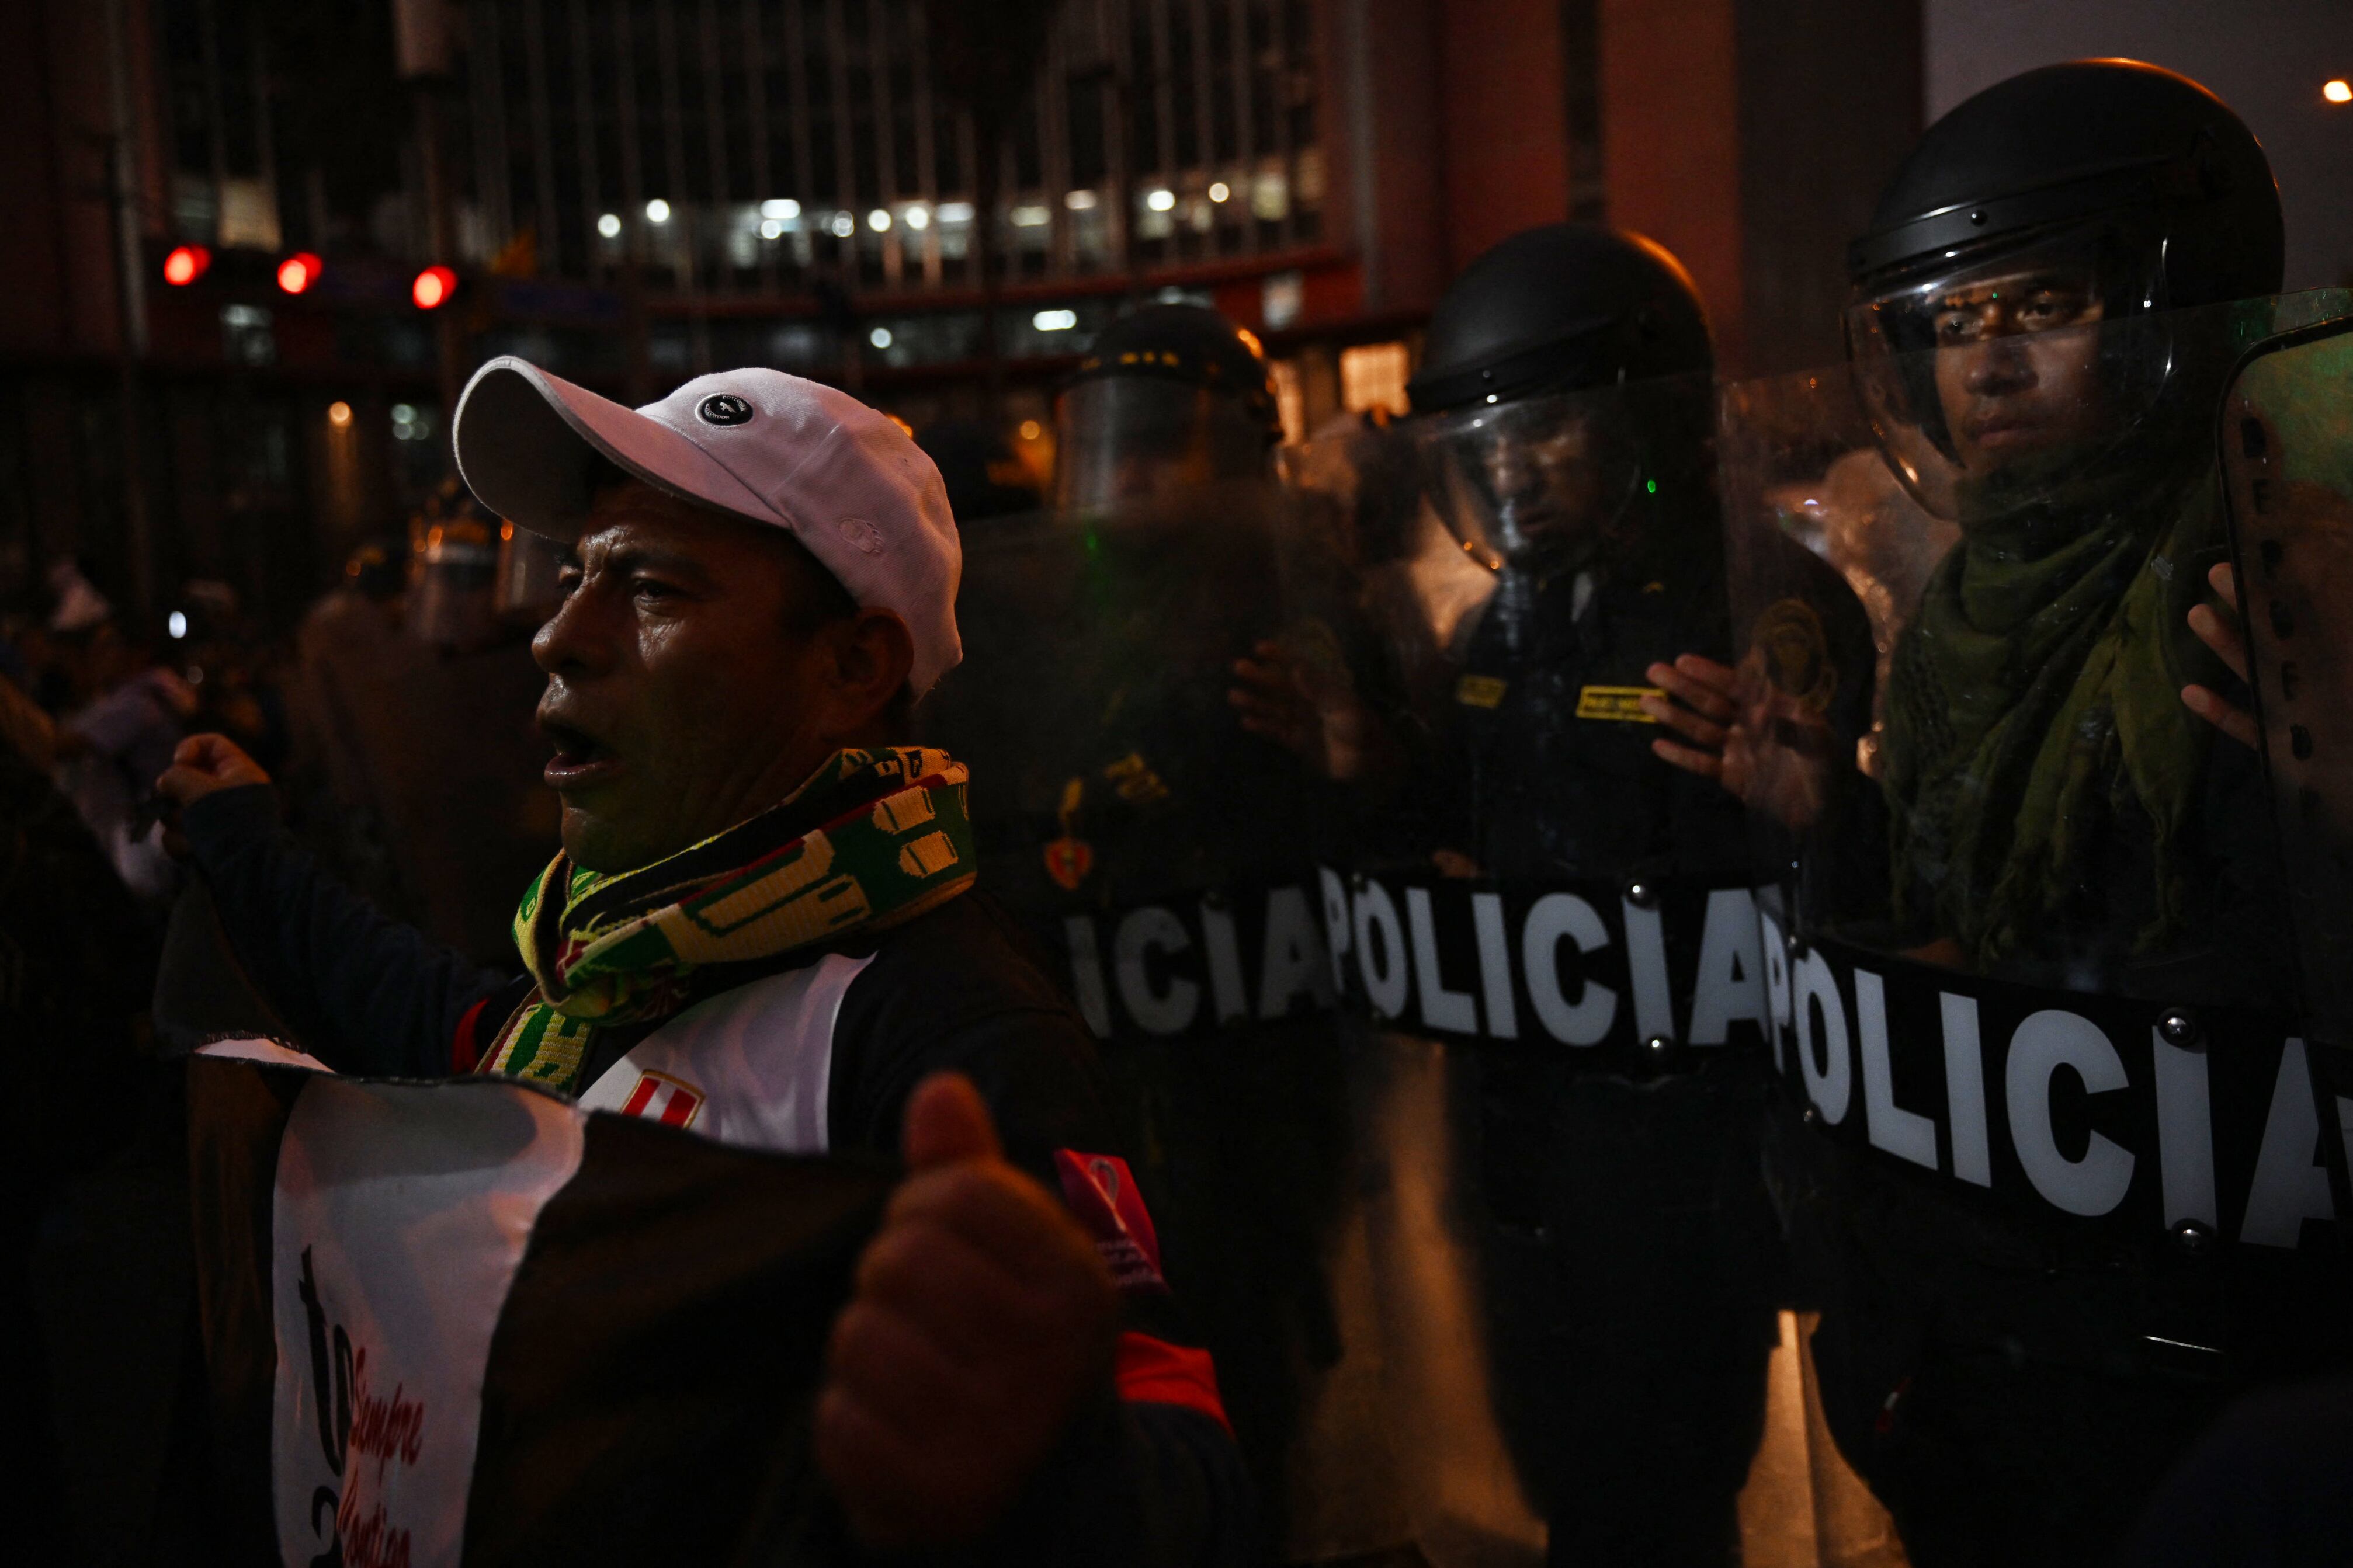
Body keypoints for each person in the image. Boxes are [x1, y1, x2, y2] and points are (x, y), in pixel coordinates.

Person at [158, 357, 1252, 1561]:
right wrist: (242, 846)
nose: (558, 635)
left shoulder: (943, 1026)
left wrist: (1048, 1468)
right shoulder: (607, 984)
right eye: (574, 574)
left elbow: (1187, 1467)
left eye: (651, 586)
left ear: (853, 667)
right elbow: (432, 1021)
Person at [1647, 60, 2338, 1567]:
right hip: (1980, 1327)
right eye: (1952, 325)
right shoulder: (1970, 607)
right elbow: (1953, 934)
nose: (1988, 366)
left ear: (2170, 308)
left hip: (2198, 1352)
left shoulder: (2279, 581)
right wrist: (1830, 817)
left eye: (2041, 306)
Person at [1241, 224, 1873, 1563]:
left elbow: (1831, 891)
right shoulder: (1510, 619)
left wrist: (1811, 813)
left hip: (1685, 1146)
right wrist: (1381, 772)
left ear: (1647, 420)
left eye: (1545, 431)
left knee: (1656, 1493)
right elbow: (1478, 818)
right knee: (1557, 1466)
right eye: (1483, 444)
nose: (1509, 469)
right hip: (1524, 1137)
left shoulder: (1761, 604)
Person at [919, 304, 1354, 1556]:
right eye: (1104, 443)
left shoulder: (1304, 614)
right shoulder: (1030, 625)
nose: (1128, 477)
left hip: (1259, 1099)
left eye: (1166, 443)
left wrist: (1356, 760)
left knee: (1255, 1427)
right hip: (1104, 1104)